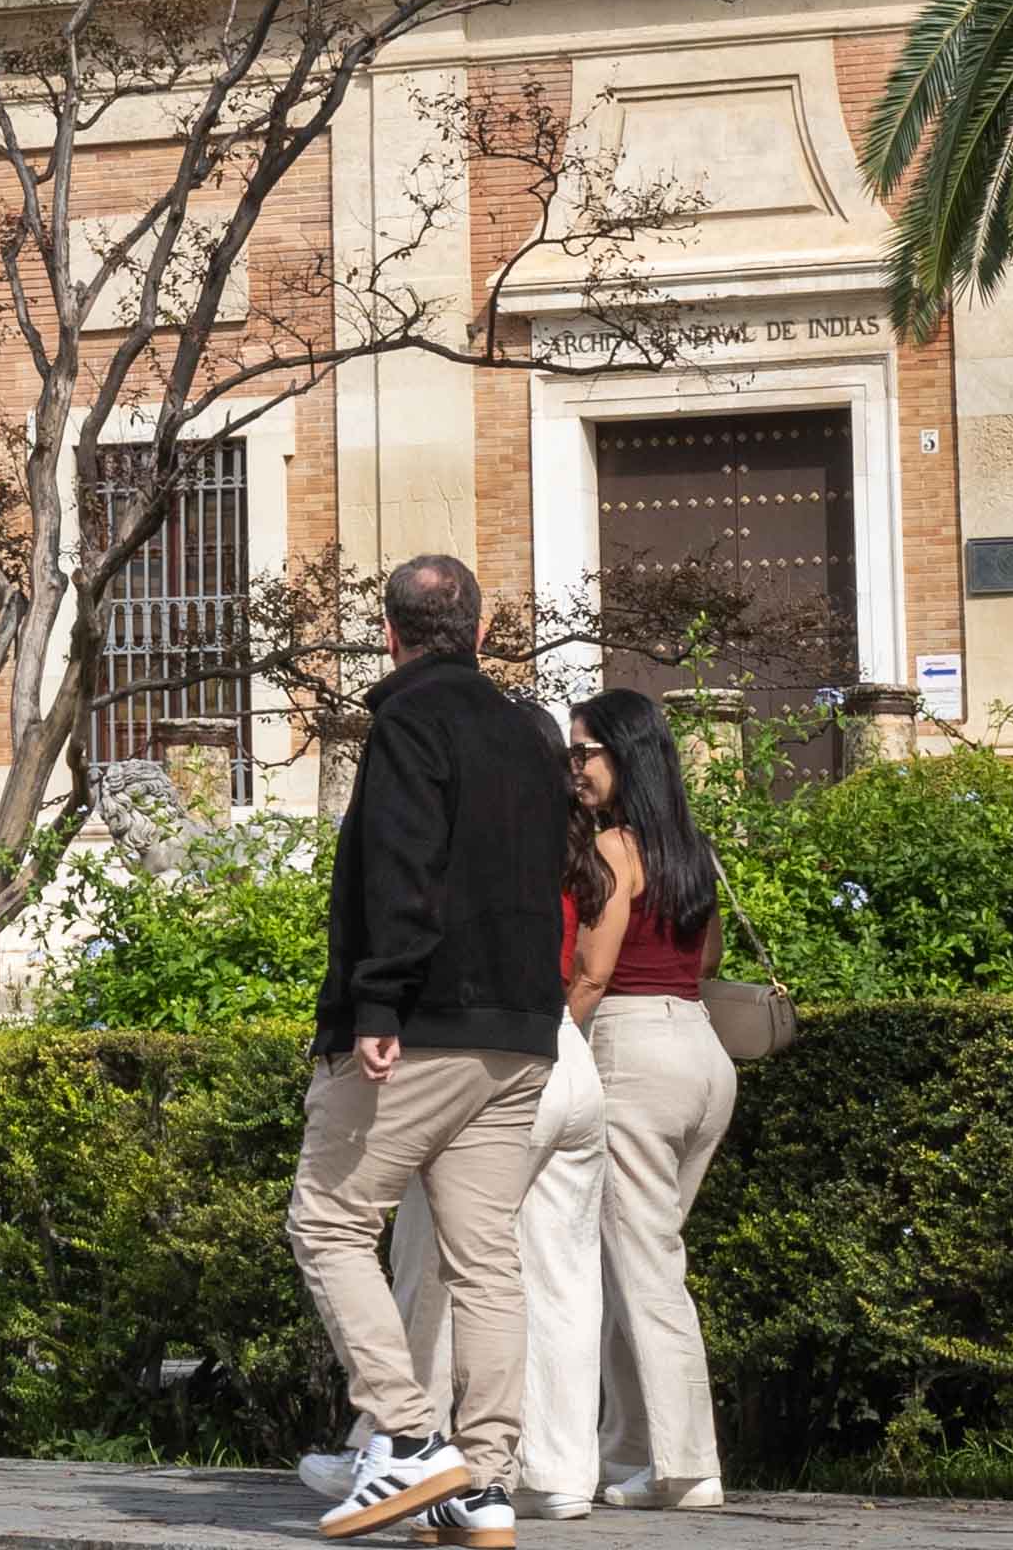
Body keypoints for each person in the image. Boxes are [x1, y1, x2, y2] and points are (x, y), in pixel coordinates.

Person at [289, 554, 574, 1545]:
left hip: (423, 1024)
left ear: (391, 630)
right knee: (486, 1256)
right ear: (483, 631)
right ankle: (484, 1483)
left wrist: (378, 999)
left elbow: (401, 865)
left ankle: (408, 1440)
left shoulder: (409, 719)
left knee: (328, 1217)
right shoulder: (532, 733)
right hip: (522, 1029)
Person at [566, 687, 739, 1509]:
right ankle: (628, 1454)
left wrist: (546, 1047)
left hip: (631, 1051)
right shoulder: (692, 850)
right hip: (702, 1052)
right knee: (633, 1262)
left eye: (585, 751)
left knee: (645, 1268)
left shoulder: (612, 851)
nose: (575, 768)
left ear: (624, 756)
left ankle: (686, 1466)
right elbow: (703, 962)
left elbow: (593, 973)